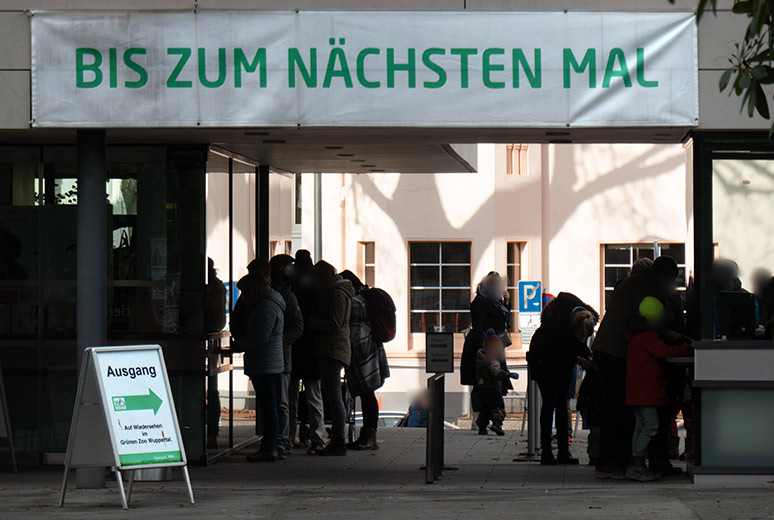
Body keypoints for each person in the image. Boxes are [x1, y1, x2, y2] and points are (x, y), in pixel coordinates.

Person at [592, 256, 679, 479]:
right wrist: (668, 333)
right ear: (663, 277)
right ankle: (611, 463)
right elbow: (648, 321)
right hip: (615, 352)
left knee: (619, 409)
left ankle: (616, 461)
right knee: (619, 409)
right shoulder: (645, 288)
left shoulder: (638, 283)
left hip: (609, 349)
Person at [625, 297, 691, 482]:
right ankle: (637, 463)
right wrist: (684, 350)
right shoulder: (648, 336)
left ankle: (635, 462)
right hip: (646, 391)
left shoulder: (636, 335)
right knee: (651, 425)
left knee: (640, 425)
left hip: (636, 391)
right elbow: (663, 352)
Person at [527, 292, 597, 465]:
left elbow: (577, 343)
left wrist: (588, 355)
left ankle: (563, 451)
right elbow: (560, 347)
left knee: (561, 403)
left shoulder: (582, 316)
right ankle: (547, 451)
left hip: (559, 360)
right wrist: (578, 357)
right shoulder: (554, 324)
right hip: (544, 359)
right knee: (550, 402)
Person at [236, 262, 286, 463]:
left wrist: (236, 346)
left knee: (269, 407)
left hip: (265, 362)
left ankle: (270, 446)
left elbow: (261, 337)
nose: (245, 298)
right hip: (267, 361)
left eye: (246, 293)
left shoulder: (265, 306)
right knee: (269, 405)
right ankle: (271, 445)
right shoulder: (270, 303)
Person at [307, 261, 354, 456]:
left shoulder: (336, 293)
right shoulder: (337, 291)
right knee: (334, 395)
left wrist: (311, 322)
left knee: (335, 395)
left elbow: (334, 322)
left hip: (333, 348)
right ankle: (338, 438)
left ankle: (338, 440)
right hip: (334, 347)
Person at [340, 270, 391, 451]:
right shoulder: (366, 297)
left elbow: (352, 333)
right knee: (368, 394)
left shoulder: (355, 302)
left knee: (367, 395)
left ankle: (369, 436)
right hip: (372, 347)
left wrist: (346, 353)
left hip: (361, 352)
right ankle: (369, 436)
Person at [288, 250, 327, 454]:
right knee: (314, 396)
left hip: (294, 347)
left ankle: (290, 436)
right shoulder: (318, 287)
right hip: (313, 346)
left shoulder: (291, 286)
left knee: (291, 396)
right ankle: (318, 438)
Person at [461, 272, 513, 411]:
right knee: (481, 381)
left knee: (494, 381)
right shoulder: (480, 302)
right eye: (495, 284)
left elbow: (503, 320)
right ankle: (479, 417)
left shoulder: (495, 301)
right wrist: (480, 348)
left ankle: (489, 415)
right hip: (484, 345)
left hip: (495, 345)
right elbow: (478, 326)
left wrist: (507, 302)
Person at [269, 254, 305, 457]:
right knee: (280, 400)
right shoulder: (288, 293)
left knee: (281, 400)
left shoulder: (287, 294)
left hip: (281, 355)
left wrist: (276, 342)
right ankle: (278, 439)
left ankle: (280, 439)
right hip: (281, 354)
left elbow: (297, 326)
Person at [475, 330, 518, 436]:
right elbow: (496, 373)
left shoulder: (480, 359)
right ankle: (496, 424)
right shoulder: (492, 361)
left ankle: (482, 426)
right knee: (498, 407)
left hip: (482, 388)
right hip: (493, 388)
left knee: (485, 408)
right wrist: (507, 374)